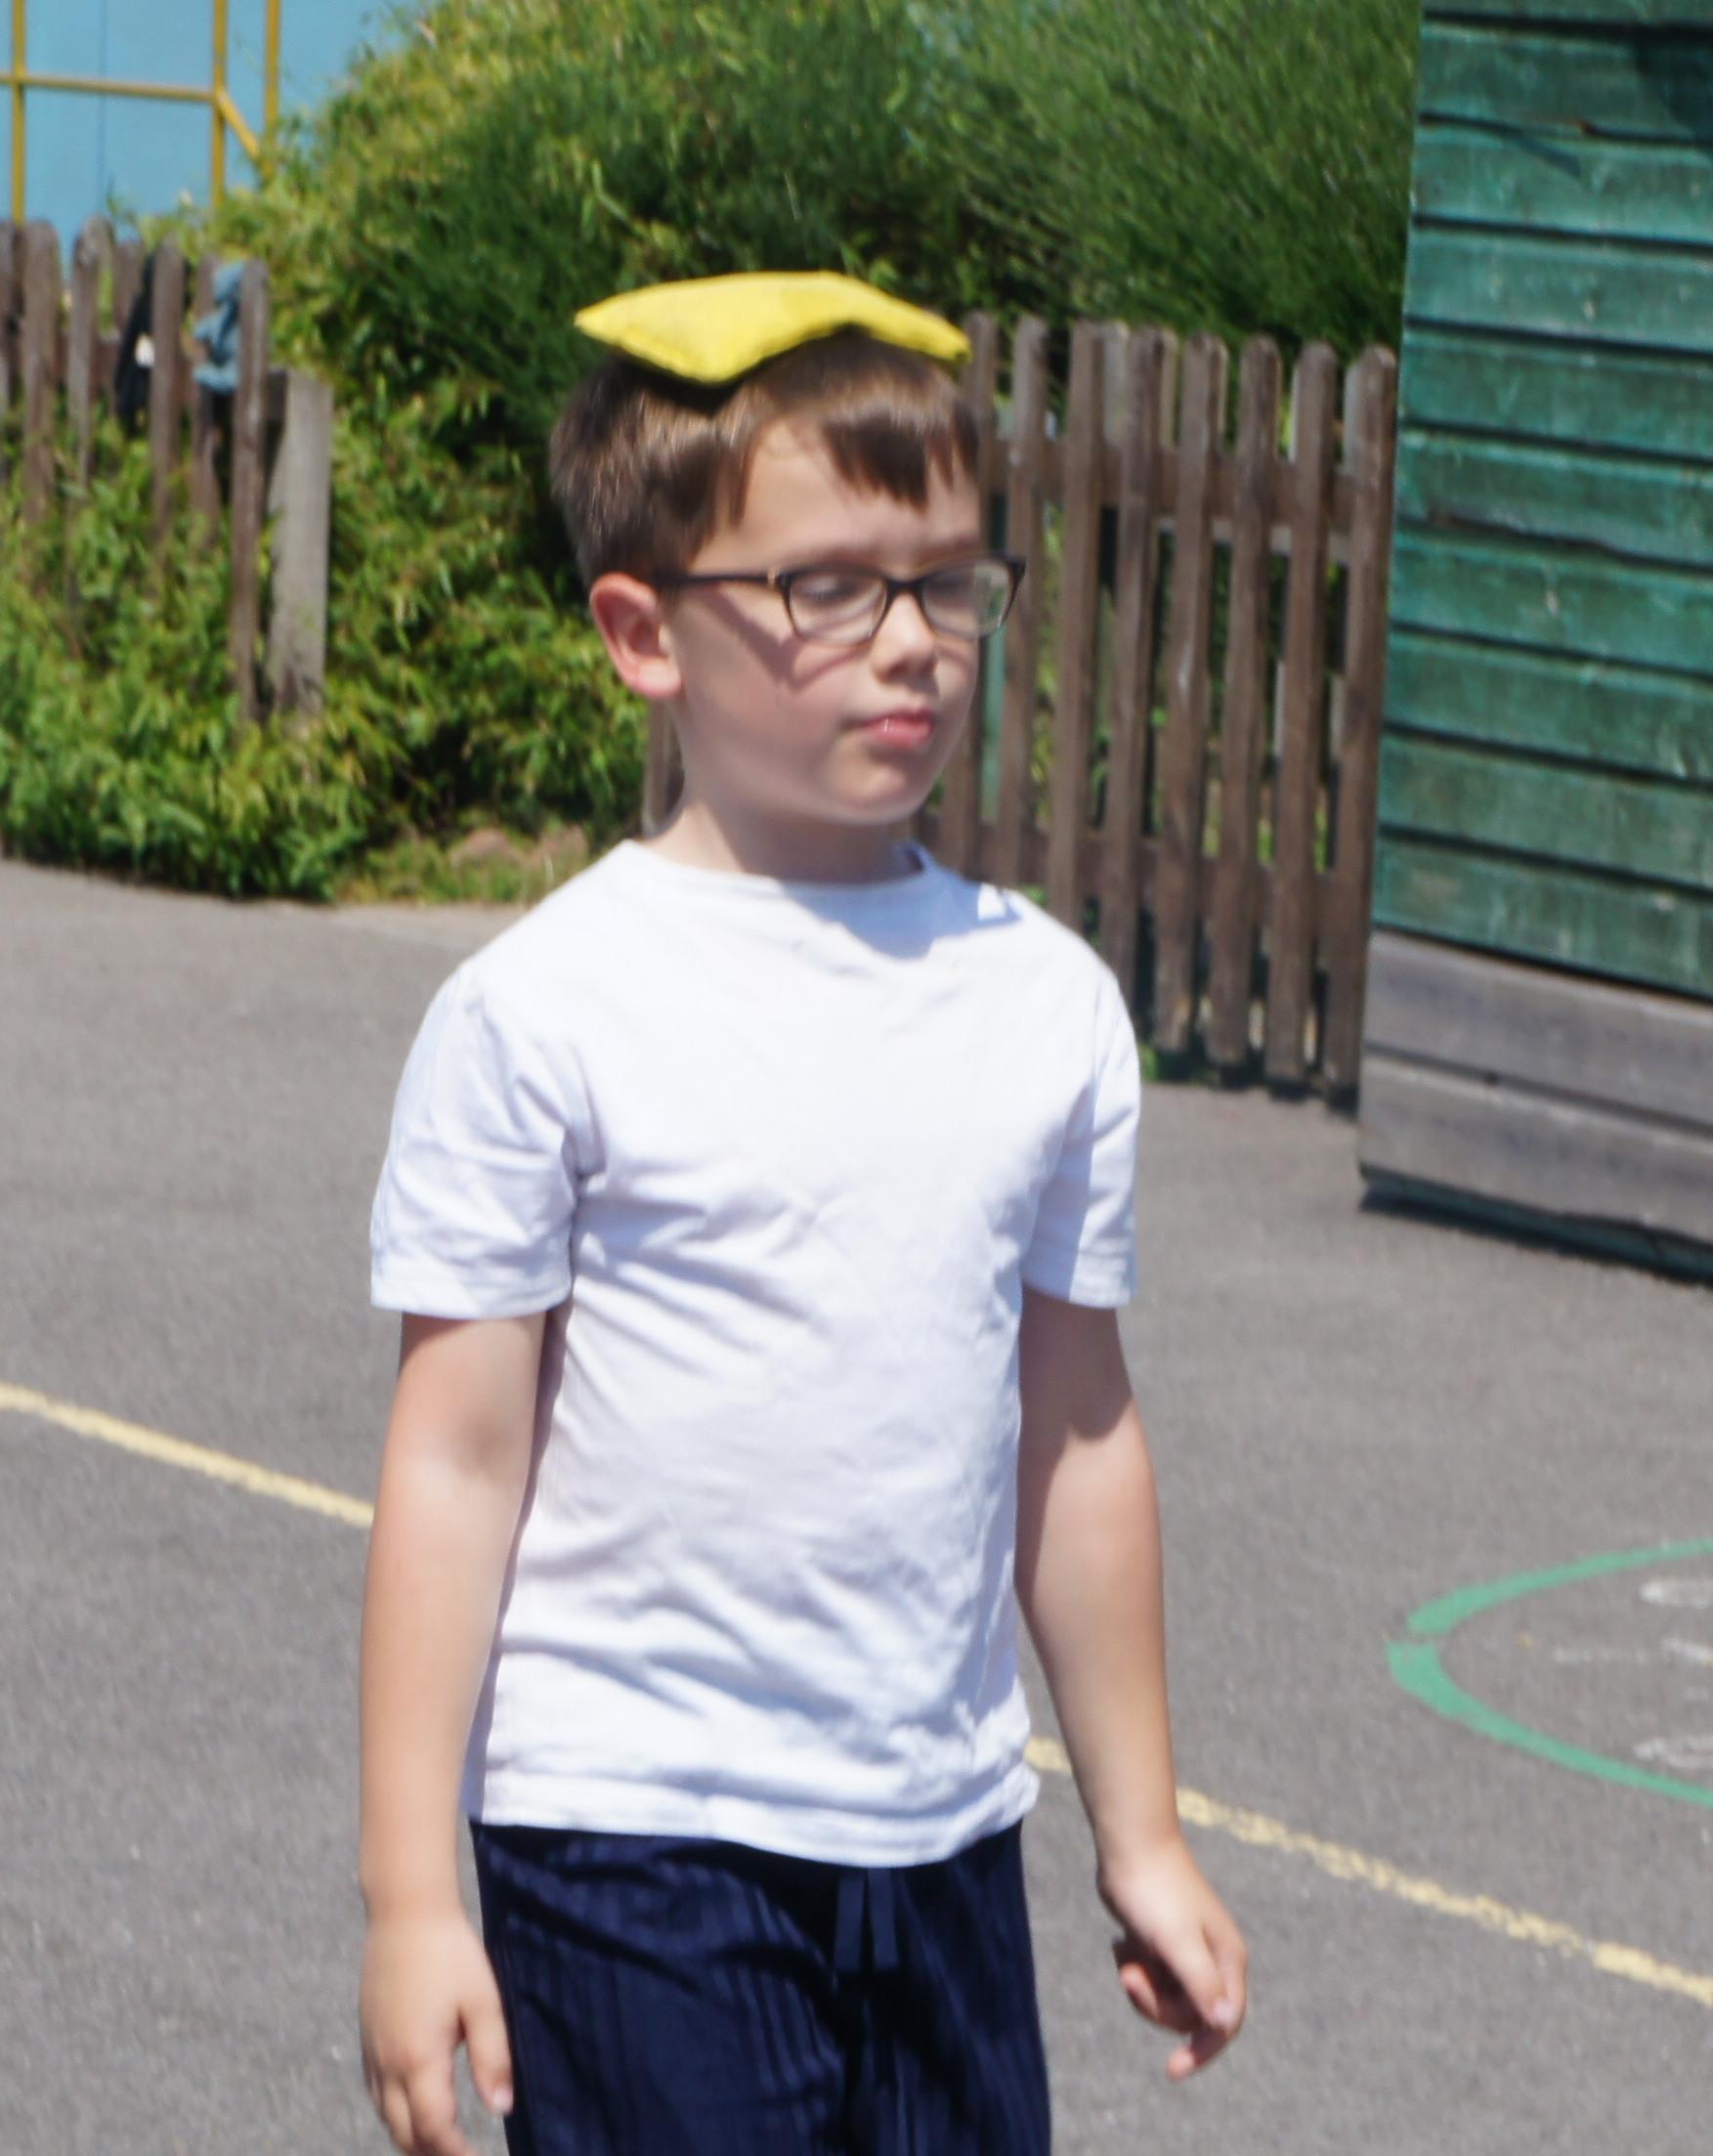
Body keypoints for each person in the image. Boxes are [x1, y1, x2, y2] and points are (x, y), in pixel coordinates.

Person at [356, 274, 1248, 2156]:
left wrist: (1143, 1831)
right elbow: (455, 1456)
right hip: (634, 1842)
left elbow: (1077, 1432)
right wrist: (413, 1896)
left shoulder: (1044, 1003)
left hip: (939, 1839)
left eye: (946, 584)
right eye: (827, 589)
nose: (909, 644)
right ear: (644, 634)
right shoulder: (548, 1010)